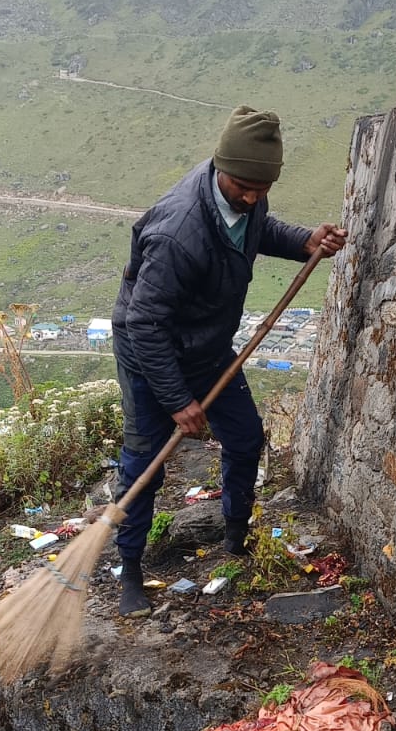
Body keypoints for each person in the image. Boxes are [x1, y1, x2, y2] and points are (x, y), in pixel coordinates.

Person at [110, 105, 346, 619]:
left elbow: (256, 227)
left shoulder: (245, 188)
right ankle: (130, 568)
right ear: (222, 168)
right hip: (151, 355)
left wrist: (304, 240)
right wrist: (178, 400)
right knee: (145, 462)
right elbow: (144, 323)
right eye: (244, 187)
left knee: (244, 437)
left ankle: (236, 535)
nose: (253, 197)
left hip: (208, 347)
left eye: (262, 188)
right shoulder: (178, 232)